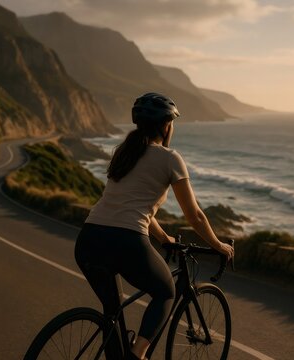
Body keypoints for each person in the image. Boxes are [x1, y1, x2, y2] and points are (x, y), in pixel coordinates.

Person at [74, 92, 234, 360]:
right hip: (126, 242)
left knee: (112, 316)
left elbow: (132, 206)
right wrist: (220, 246)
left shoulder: (124, 153)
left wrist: (163, 238)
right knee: (165, 292)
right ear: (166, 126)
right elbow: (194, 216)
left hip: (89, 239)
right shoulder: (170, 158)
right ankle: (137, 356)